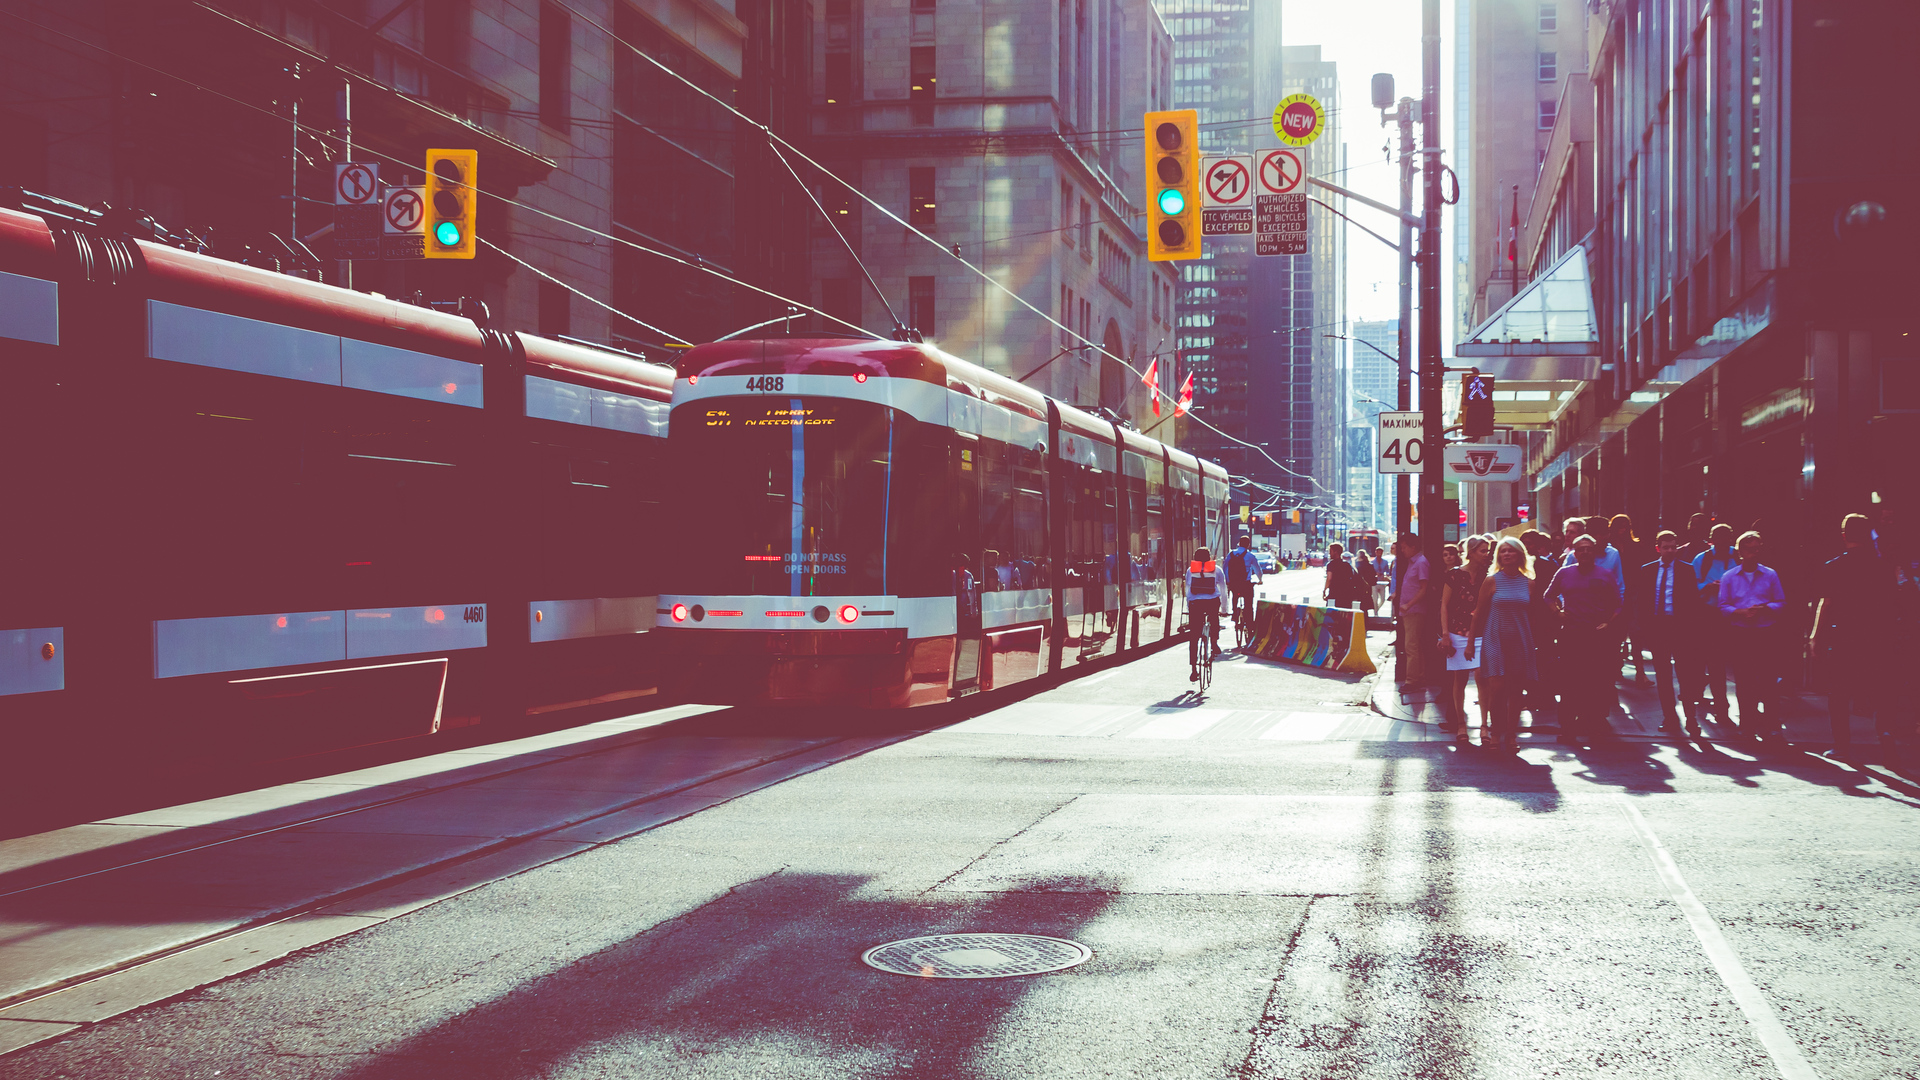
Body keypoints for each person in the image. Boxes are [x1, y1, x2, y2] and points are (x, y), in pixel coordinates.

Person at [1807, 514, 1893, 759]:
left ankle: (1842, 745)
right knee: (1880, 688)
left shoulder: (1833, 566)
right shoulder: (1882, 566)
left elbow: (1826, 603)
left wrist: (1815, 636)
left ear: (1844, 536)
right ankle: (1885, 733)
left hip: (1843, 635)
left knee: (1839, 692)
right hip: (1876, 636)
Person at [1546, 534, 1623, 746]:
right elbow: (1548, 596)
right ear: (1575, 552)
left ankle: (1594, 726)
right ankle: (1568, 729)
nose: (1586, 553)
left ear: (1594, 552)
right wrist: (1558, 613)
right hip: (1572, 634)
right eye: (1581, 549)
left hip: (1597, 636)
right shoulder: (1564, 573)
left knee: (1596, 683)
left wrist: (1609, 623)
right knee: (1570, 683)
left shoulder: (1605, 574)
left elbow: (1618, 603)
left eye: (1590, 549)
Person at [1467, 536, 1539, 753]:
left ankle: (1511, 733)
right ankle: (1495, 732)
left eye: (1512, 551)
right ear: (1499, 556)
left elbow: (1534, 617)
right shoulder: (1491, 581)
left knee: (1516, 690)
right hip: (1494, 638)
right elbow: (1478, 614)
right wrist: (1470, 642)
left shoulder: (1530, 583)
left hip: (1520, 639)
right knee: (1496, 689)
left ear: (1519, 555)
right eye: (1503, 551)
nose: (1507, 554)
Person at [1717, 530, 1787, 742]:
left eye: (1758, 549)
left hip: (1765, 631)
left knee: (1767, 680)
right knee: (1744, 680)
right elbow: (1723, 605)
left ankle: (1772, 725)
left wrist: (1765, 608)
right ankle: (1747, 724)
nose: (1755, 553)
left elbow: (1781, 602)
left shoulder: (1770, 574)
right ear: (1740, 552)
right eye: (1750, 550)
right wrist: (1740, 612)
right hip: (1741, 633)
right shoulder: (1729, 577)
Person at [1640, 530, 1704, 737]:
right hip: (1658, 628)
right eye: (1666, 547)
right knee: (1664, 676)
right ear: (1658, 548)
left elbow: (1694, 603)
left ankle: (1691, 718)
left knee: (1686, 675)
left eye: (1674, 547)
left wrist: (1692, 632)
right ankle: (1669, 717)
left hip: (1680, 628)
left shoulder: (1686, 570)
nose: (1670, 551)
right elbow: (1642, 603)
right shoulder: (1647, 570)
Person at [1440, 537, 1491, 744]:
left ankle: (1484, 725)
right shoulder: (1454, 575)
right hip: (1457, 632)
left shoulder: (1489, 576)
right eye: (1482, 551)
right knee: (1459, 679)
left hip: (1481, 632)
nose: (1487, 554)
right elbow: (1444, 605)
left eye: (1487, 551)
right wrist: (1444, 634)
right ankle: (1461, 723)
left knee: (1482, 677)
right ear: (1471, 553)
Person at [1690, 523, 1740, 722]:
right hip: (1709, 614)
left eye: (1724, 542)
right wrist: (1708, 586)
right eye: (1716, 543)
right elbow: (1691, 584)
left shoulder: (1737, 556)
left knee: (1735, 662)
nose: (1720, 547)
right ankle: (1721, 705)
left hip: (1736, 615)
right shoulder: (1702, 559)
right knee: (1714, 661)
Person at [1611, 514, 1652, 683]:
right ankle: (1616, 668)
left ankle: (1640, 672)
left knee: (1636, 634)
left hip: (1633, 594)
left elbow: (1642, 571)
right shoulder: (1609, 548)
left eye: (1625, 526)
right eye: (1619, 526)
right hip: (1614, 595)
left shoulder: (1635, 547)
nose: (1622, 530)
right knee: (1616, 634)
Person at [1395, 534, 1434, 687]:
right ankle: (1419, 677)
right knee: (1414, 645)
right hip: (1410, 610)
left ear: (1413, 547)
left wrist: (1408, 605)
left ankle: (1412, 680)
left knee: (1411, 646)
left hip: (1414, 610)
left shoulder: (1421, 563)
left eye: (1404, 547)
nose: (1402, 551)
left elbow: (1424, 589)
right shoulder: (1414, 562)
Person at [1187, 546, 1223, 680]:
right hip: (1212, 601)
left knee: (1194, 637)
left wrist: (1189, 606)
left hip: (1195, 603)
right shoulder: (1217, 569)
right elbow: (1223, 590)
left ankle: (1193, 670)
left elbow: (1188, 590)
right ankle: (1214, 642)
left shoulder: (1191, 570)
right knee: (1214, 618)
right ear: (1209, 557)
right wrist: (1224, 609)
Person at [1224, 534, 1263, 630]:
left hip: (1233, 583)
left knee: (1235, 595)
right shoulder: (1250, 556)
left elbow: (1225, 568)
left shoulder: (1231, 554)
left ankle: (1234, 613)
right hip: (1246, 584)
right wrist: (1260, 580)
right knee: (1248, 603)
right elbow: (1257, 569)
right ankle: (1249, 623)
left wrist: (1228, 581)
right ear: (1248, 545)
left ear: (1239, 543)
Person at [1324, 543, 1362, 609]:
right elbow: (1352, 579)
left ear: (1336, 552)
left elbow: (1329, 579)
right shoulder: (1347, 565)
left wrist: (1324, 590)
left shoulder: (1331, 564)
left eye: (1331, 551)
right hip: (1346, 595)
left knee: (1332, 615)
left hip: (1334, 594)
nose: (1329, 553)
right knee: (1345, 615)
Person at [1355, 544, 1379, 614]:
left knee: (1358, 606)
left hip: (1358, 588)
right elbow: (1373, 576)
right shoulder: (1369, 565)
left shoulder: (1357, 565)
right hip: (1367, 588)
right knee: (1365, 608)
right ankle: (1365, 621)